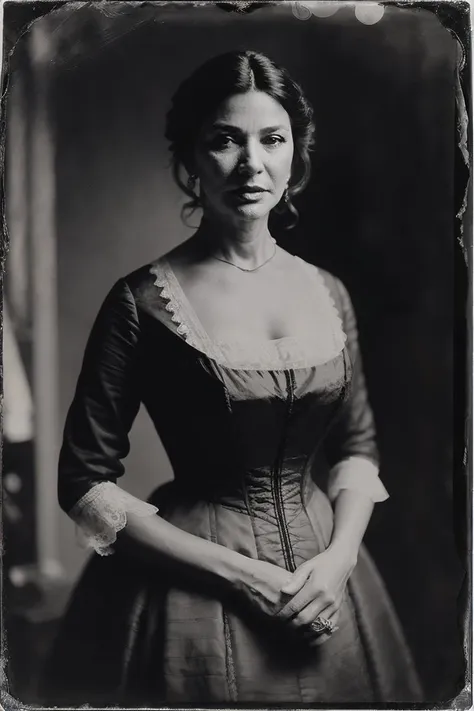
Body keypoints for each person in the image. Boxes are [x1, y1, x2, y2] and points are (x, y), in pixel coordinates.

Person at [40, 50, 422, 706]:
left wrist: (339, 561)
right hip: (195, 583)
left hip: (327, 581)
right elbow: (84, 479)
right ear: (190, 159)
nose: (252, 163)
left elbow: (357, 448)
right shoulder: (141, 301)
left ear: (294, 155)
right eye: (225, 140)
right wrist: (244, 575)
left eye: (272, 140)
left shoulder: (327, 291)